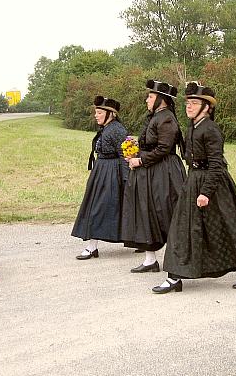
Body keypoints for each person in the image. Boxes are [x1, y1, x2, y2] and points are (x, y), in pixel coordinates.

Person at [153, 82, 236, 293]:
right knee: (181, 228)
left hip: (214, 185)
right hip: (194, 180)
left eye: (194, 103)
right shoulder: (192, 126)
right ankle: (175, 276)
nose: (189, 106)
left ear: (207, 107)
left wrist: (205, 192)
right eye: (188, 103)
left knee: (227, 227)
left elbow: (216, 165)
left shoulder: (211, 129)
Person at [121, 80, 186, 272]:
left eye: (150, 97)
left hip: (164, 173)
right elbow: (150, 144)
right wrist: (134, 150)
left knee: (164, 213)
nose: (146, 100)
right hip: (151, 171)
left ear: (162, 100)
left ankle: (180, 259)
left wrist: (140, 160)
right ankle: (150, 260)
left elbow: (164, 149)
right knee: (147, 212)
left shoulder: (166, 118)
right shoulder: (155, 117)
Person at [72, 96, 129, 259]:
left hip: (112, 173)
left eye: (99, 112)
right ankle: (92, 246)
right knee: (95, 206)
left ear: (111, 114)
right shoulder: (107, 128)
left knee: (99, 208)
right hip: (101, 171)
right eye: (95, 112)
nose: (96, 115)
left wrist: (126, 179)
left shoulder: (117, 129)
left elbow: (125, 154)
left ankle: (92, 247)